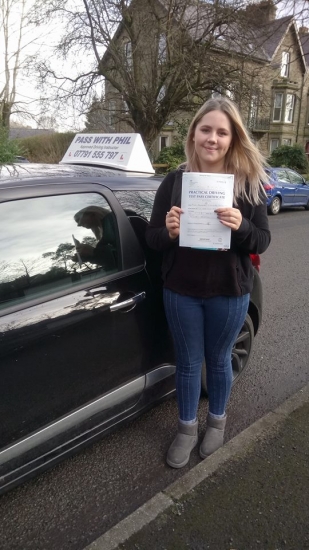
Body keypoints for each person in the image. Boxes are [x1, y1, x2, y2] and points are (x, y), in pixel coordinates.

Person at [145, 97, 271, 469]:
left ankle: (216, 422)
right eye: (206, 130)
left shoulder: (248, 184)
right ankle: (185, 429)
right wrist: (167, 232)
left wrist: (241, 225)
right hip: (181, 290)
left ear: (233, 139)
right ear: (194, 134)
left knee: (217, 361)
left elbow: (262, 240)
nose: (212, 138)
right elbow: (151, 240)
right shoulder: (174, 181)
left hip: (229, 292)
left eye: (221, 132)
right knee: (186, 364)